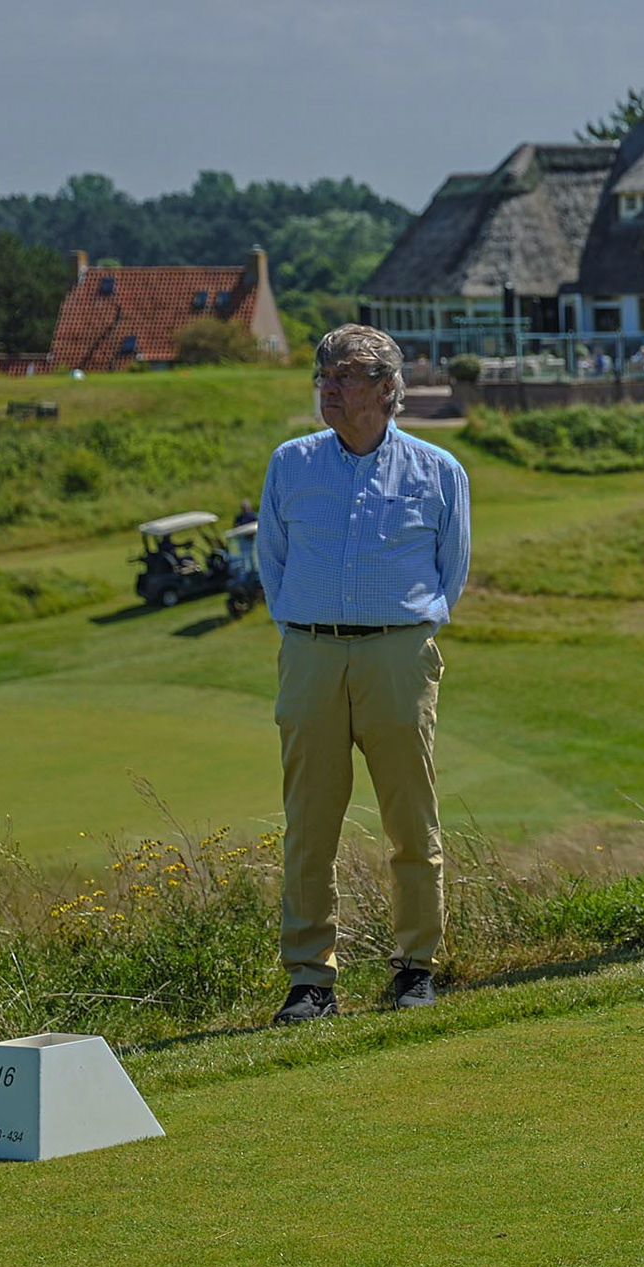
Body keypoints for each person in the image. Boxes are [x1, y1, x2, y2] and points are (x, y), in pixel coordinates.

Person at [257, 324, 471, 1024]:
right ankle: (310, 979)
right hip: (311, 653)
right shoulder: (290, 463)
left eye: (344, 375)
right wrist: (303, 625)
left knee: (412, 820)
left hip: (399, 654)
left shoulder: (438, 471)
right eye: (323, 374)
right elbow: (274, 561)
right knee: (309, 825)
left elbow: (451, 571)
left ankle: (416, 967)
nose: (329, 386)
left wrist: (408, 628)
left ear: (385, 389)